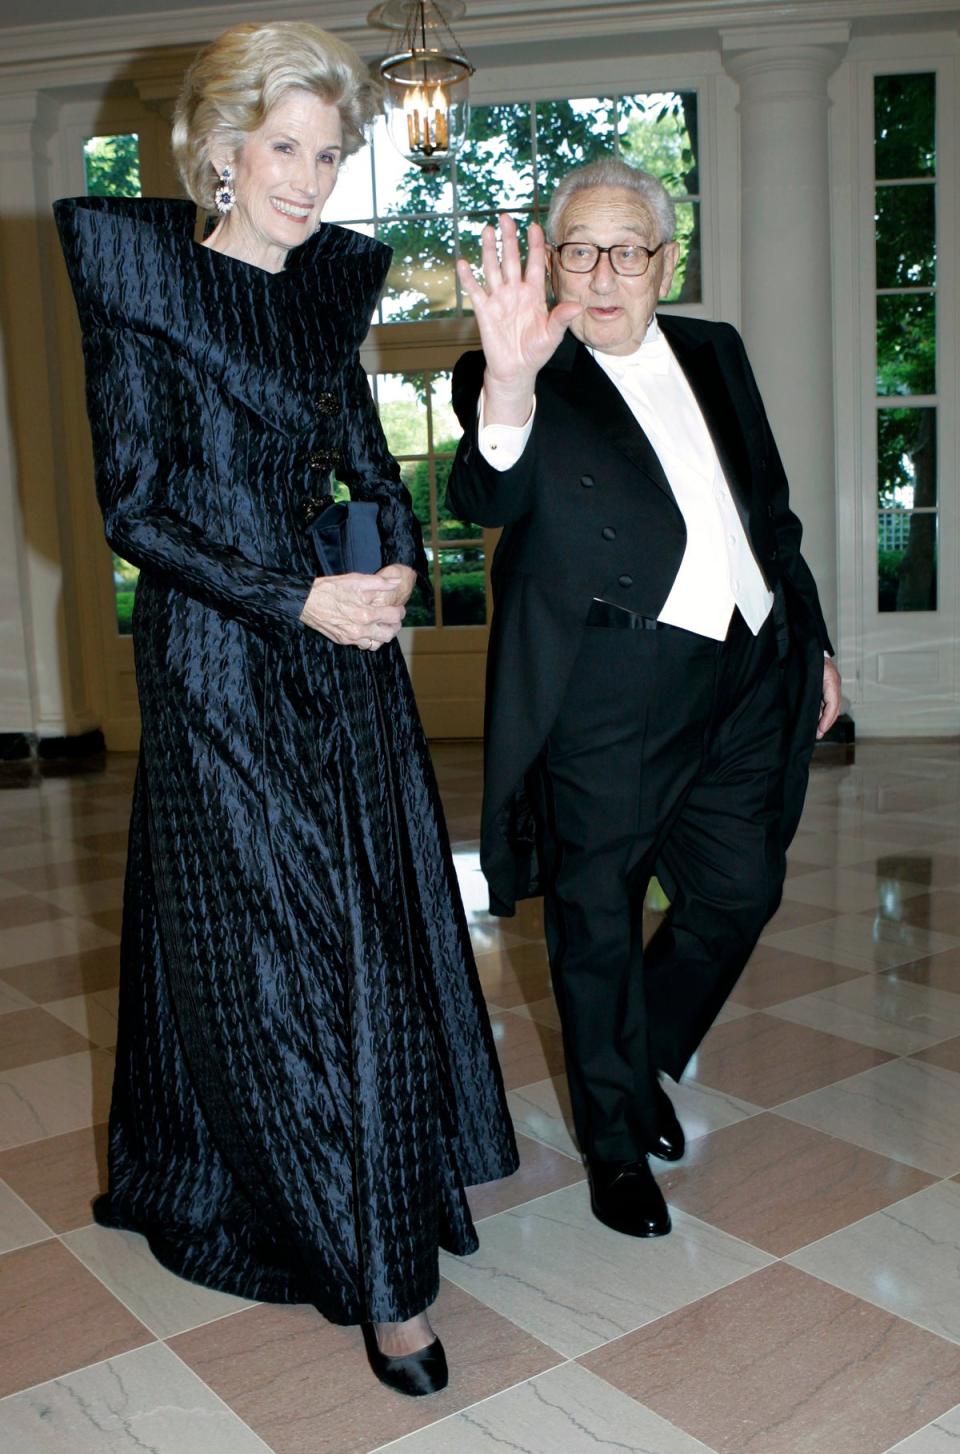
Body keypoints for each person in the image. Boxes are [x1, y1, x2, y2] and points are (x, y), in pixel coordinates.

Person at [55, 20, 517, 1398]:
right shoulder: (142, 283)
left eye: (328, 152)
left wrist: (388, 568)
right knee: (279, 946)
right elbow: (133, 503)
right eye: (284, 148)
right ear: (219, 149)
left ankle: (379, 1190)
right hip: (219, 661)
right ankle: (381, 1286)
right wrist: (291, 597)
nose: (309, 179)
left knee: (364, 927)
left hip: (341, 643)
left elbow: (365, 458)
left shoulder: (330, 290)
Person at [447, 158, 840, 1241]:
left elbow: (772, 516)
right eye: (580, 248)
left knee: (738, 891)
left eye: (631, 249)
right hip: (611, 689)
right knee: (598, 921)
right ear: (551, 258)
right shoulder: (513, 366)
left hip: (750, 668)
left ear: (667, 261)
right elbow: (484, 487)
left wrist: (816, 645)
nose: (607, 273)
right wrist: (512, 383)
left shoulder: (717, 349)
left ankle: (638, 1060)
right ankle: (615, 1139)